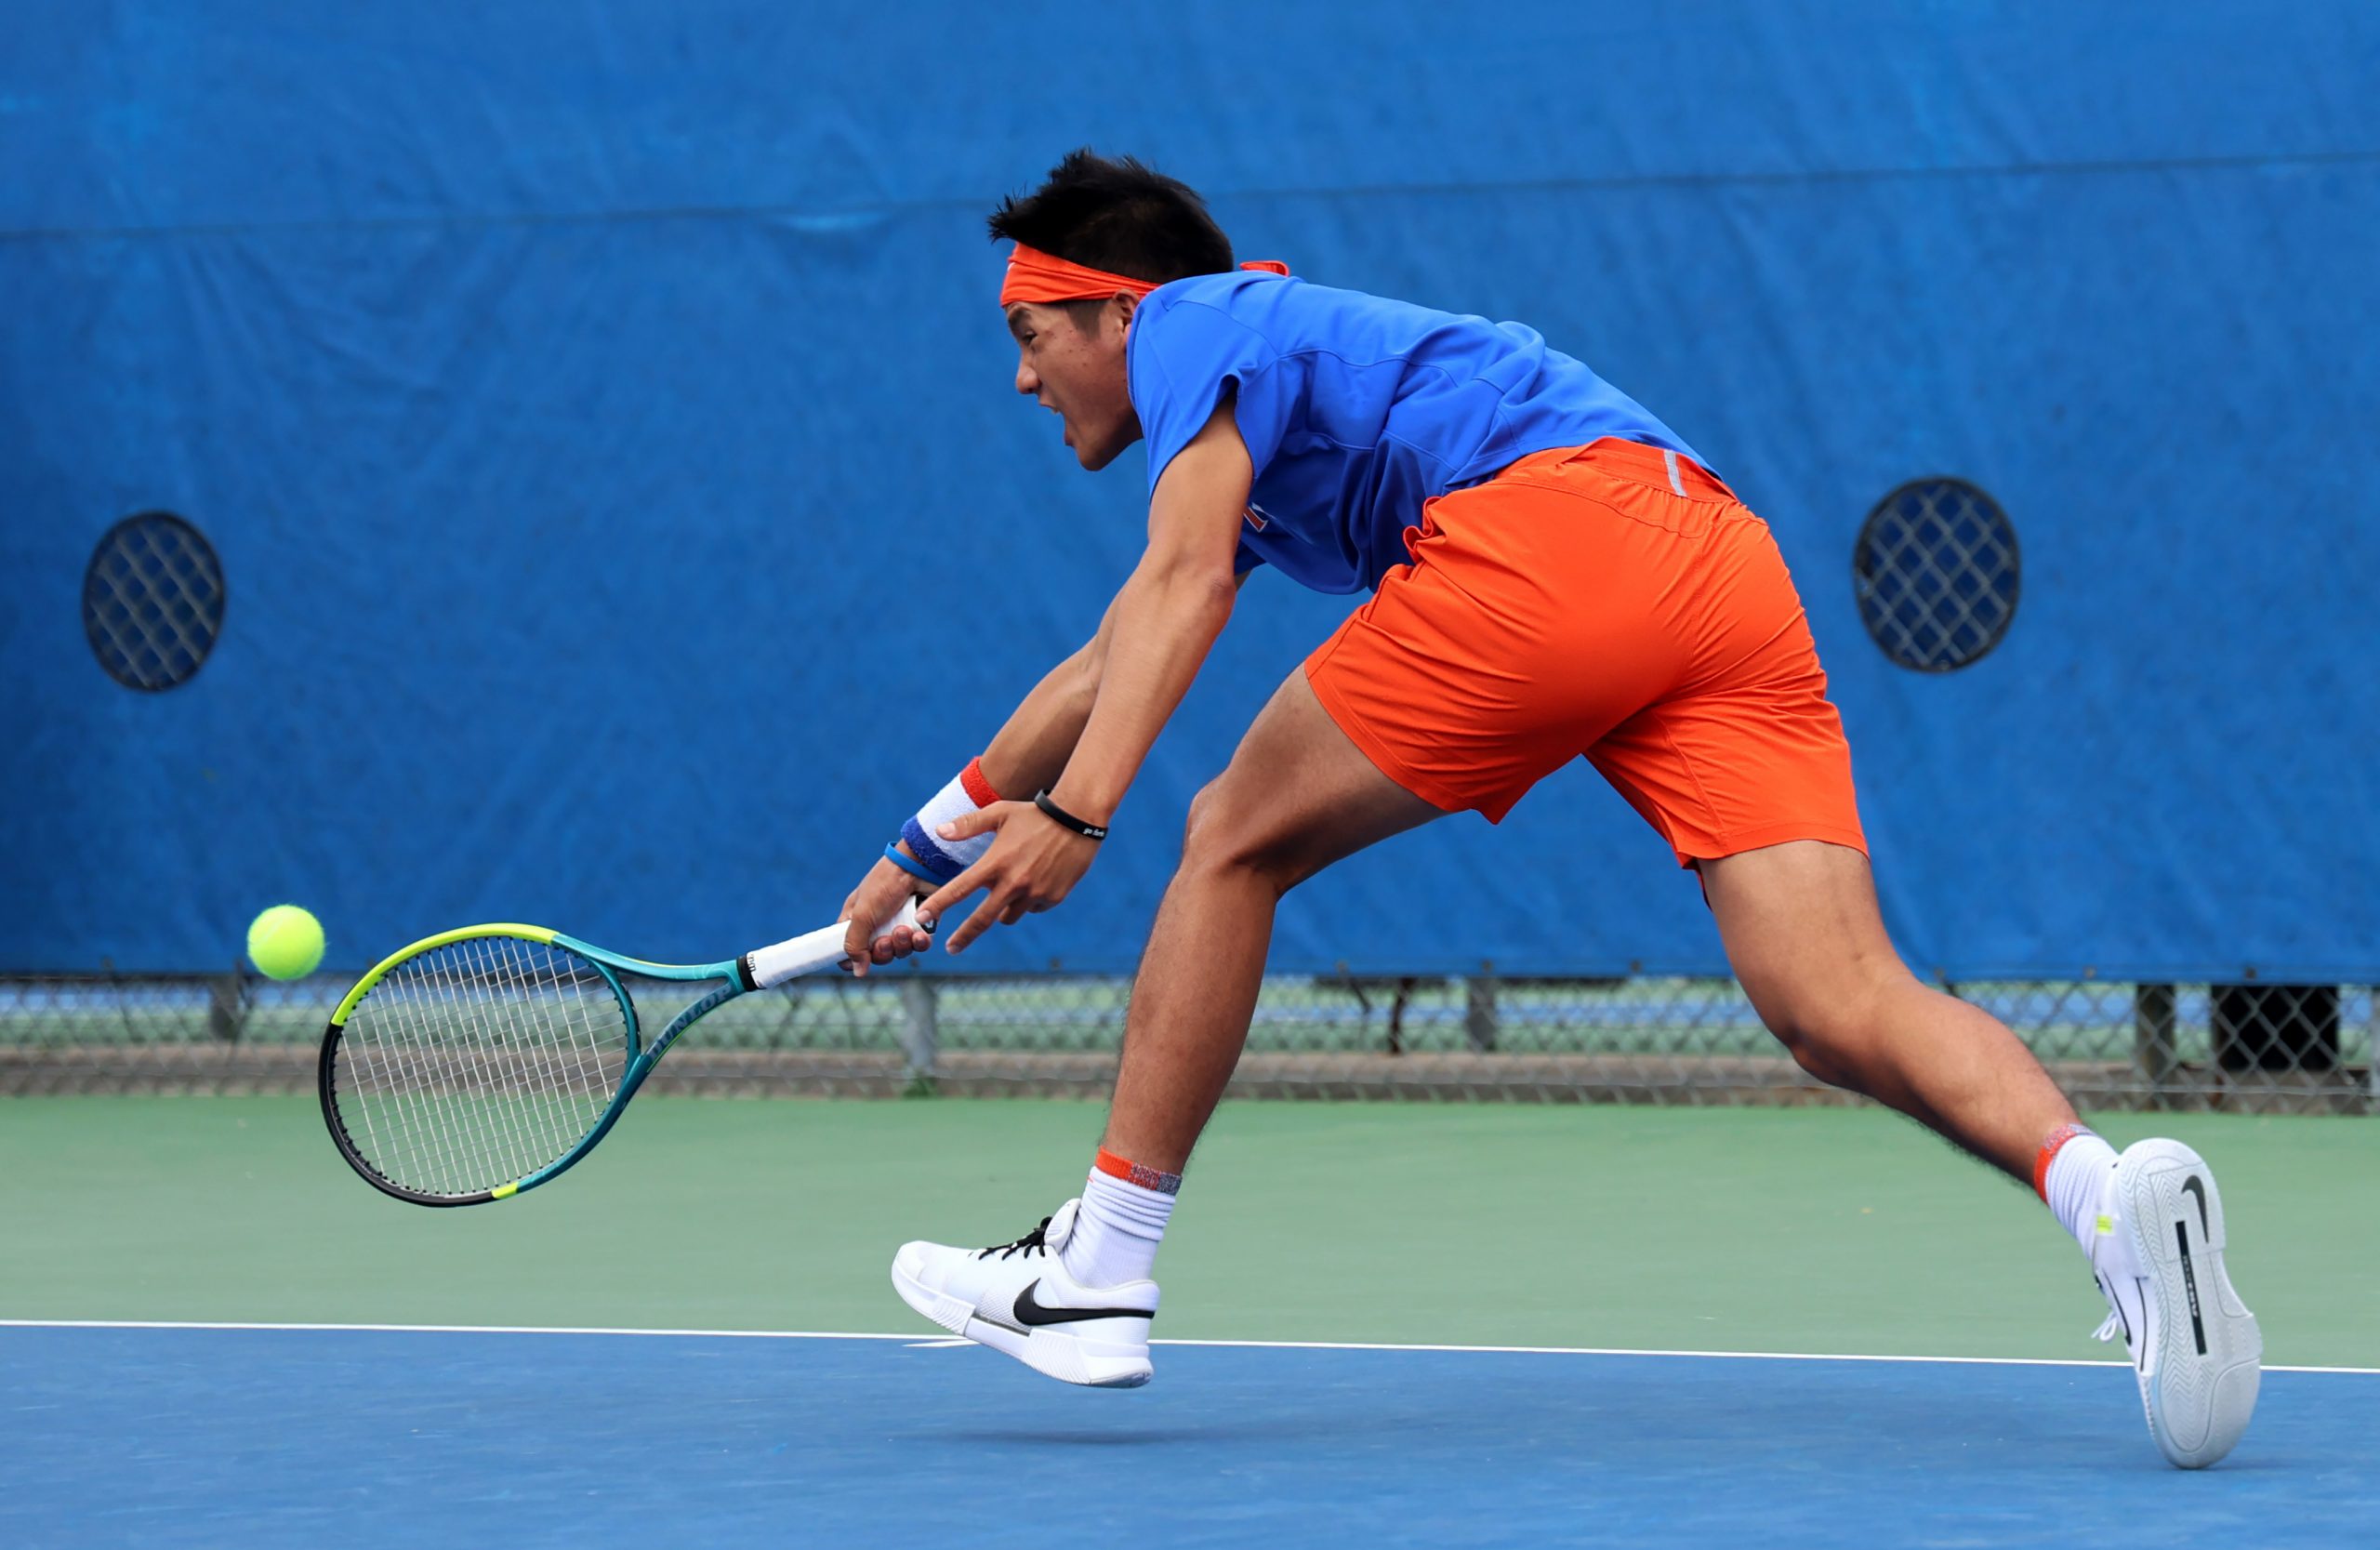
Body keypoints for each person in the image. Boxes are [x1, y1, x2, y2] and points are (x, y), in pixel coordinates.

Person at [837, 150, 2260, 1467]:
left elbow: (1179, 589)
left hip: (1554, 533)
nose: (1024, 382)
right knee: (1836, 996)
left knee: (1231, 840)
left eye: (1030, 338)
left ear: (1115, 312)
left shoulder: (1199, 320)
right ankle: (2108, 1200)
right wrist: (929, 842)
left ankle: (1100, 1269)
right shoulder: (1262, 405)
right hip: (1711, 560)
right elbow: (1108, 658)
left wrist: (1078, 819)